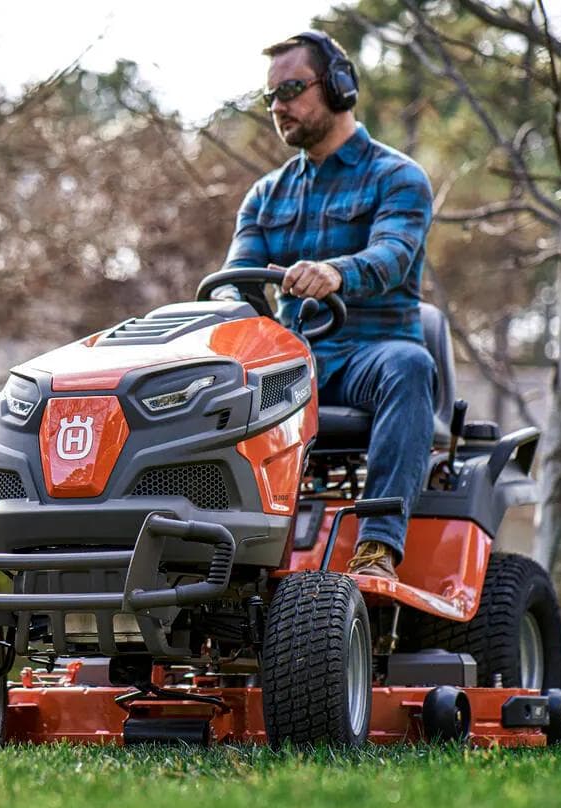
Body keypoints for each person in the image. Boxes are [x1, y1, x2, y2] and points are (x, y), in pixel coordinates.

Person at [224, 30, 436, 581]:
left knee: (410, 367)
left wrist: (336, 271)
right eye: (270, 95)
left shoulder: (399, 178)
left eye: (292, 89)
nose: (278, 106)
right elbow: (235, 282)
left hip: (372, 355)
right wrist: (228, 302)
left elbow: (392, 256)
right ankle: (222, 548)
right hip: (298, 362)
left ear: (340, 87)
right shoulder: (265, 196)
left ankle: (379, 544)